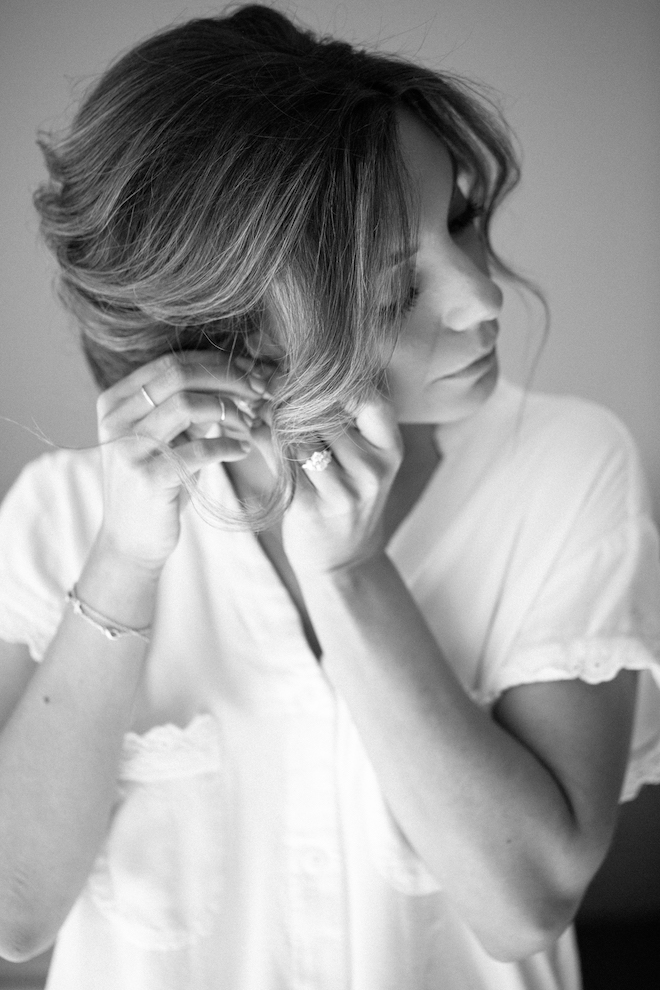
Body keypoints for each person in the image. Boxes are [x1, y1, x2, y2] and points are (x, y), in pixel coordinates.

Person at [0, 5, 659, 989]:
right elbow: (12, 914)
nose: (483, 299)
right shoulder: (57, 519)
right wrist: (124, 565)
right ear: (230, 335)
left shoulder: (564, 464)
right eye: (393, 294)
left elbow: (527, 903)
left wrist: (352, 574)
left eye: (462, 219)